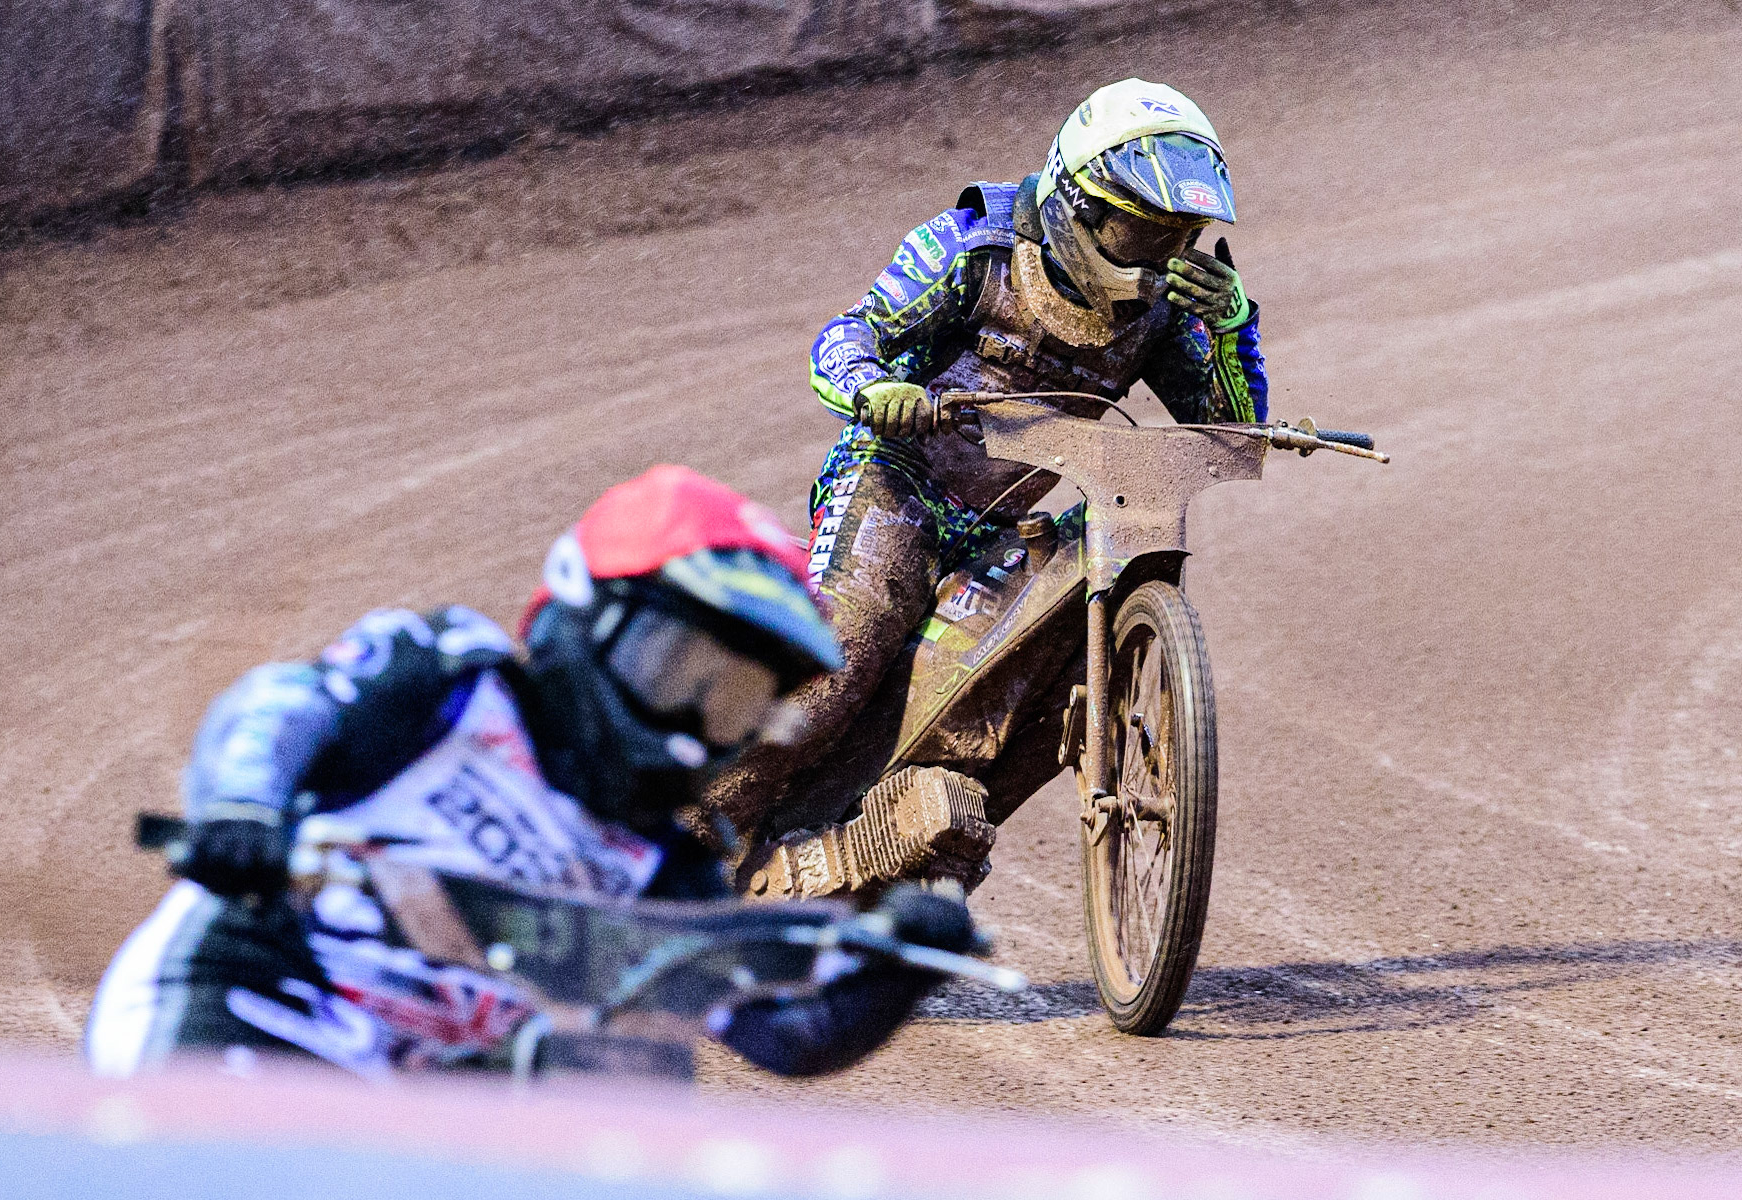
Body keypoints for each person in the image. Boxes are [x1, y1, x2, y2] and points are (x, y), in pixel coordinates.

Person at [85, 465, 976, 1079]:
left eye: (731, 702)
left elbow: (784, 1034)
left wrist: (900, 960)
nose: (691, 726)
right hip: (245, 1010)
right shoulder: (456, 676)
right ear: (586, 609)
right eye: (676, 672)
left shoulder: (667, 870)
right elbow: (283, 705)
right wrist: (245, 804)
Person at [706, 78, 1269, 884]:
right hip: (895, 483)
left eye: (1182, 236)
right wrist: (874, 389)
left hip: (1006, 525)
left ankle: (896, 842)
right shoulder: (974, 247)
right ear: (1082, 206)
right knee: (852, 638)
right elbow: (848, 332)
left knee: (1056, 659)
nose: (1166, 258)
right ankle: (690, 842)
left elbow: (1226, 432)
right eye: (1146, 232)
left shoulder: (1168, 312)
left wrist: (1231, 324)